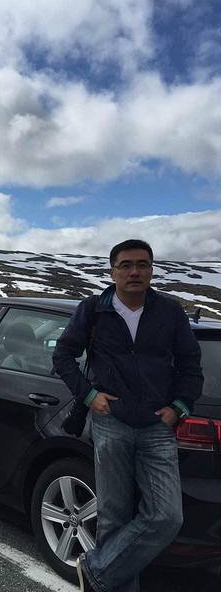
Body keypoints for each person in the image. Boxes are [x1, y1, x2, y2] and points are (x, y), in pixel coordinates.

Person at [52, 239, 203, 592]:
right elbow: (63, 356)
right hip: (111, 422)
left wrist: (180, 407)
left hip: (157, 426)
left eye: (142, 264)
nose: (135, 271)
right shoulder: (93, 310)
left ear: (151, 270)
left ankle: (95, 571)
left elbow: (190, 365)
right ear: (112, 272)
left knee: (167, 517)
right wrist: (90, 396)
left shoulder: (169, 312)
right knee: (113, 517)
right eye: (126, 265)